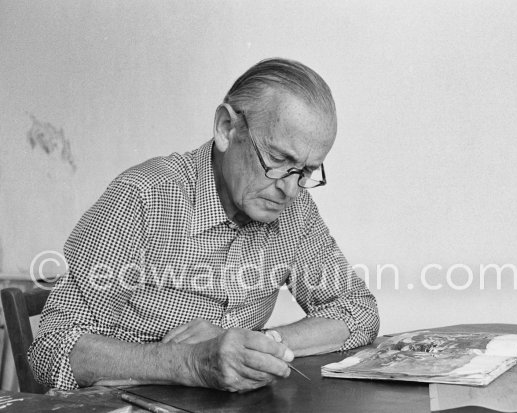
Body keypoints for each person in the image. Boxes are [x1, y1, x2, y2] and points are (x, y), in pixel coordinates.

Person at [29, 58, 379, 392]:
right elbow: (50, 350)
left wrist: (260, 346)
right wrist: (190, 362)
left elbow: (357, 310)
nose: (289, 188)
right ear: (226, 128)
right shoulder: (143, 198)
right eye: (277, 159)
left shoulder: (294, 209)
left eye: (305, 171)